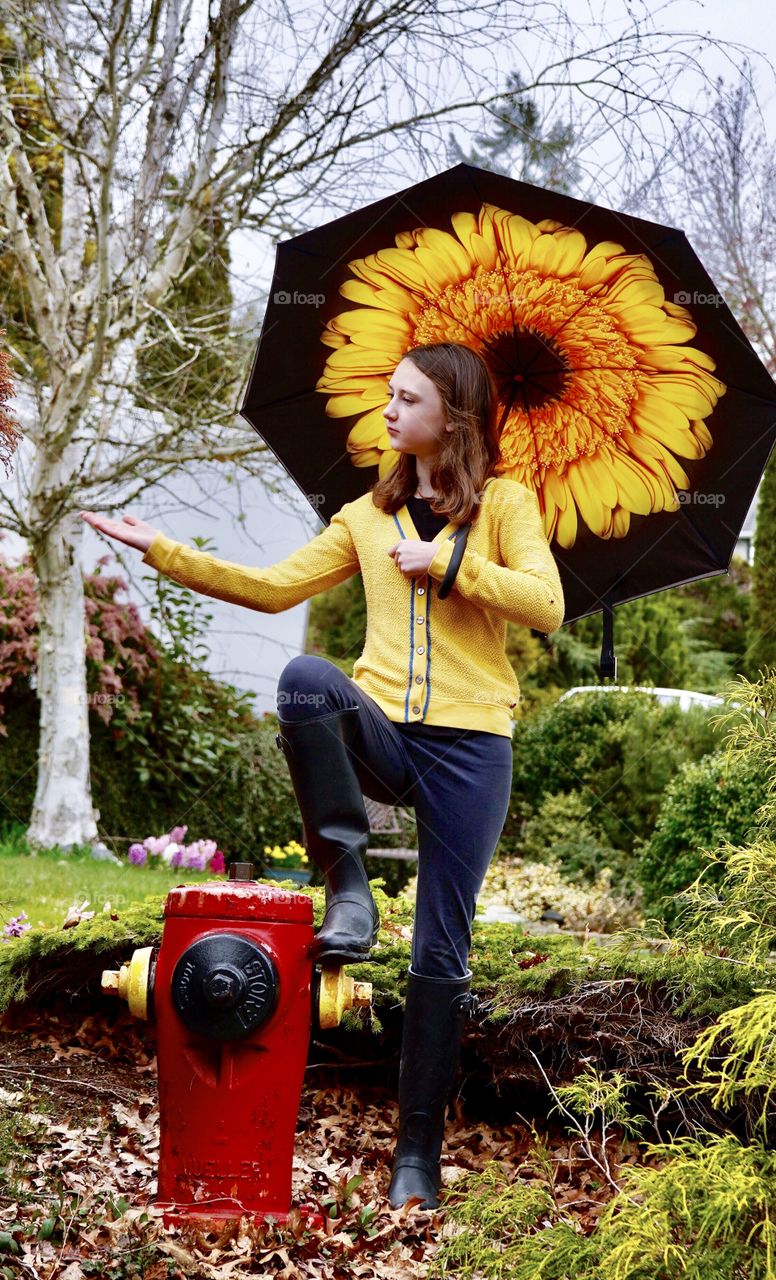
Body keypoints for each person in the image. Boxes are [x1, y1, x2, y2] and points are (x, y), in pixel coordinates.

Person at [81, 340, 564, 1210]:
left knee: (439, 956)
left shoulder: (506, 505)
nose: (387, 410)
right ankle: (348, 885)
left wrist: (452, 563)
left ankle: (414, 1155)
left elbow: (548, 603)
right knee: (306, 681)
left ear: (450, 417)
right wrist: (162, 549)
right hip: (382, 734)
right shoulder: (366, 516)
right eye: (390, 394)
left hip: (470, 750)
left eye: (406, 399)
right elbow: (271, 588)